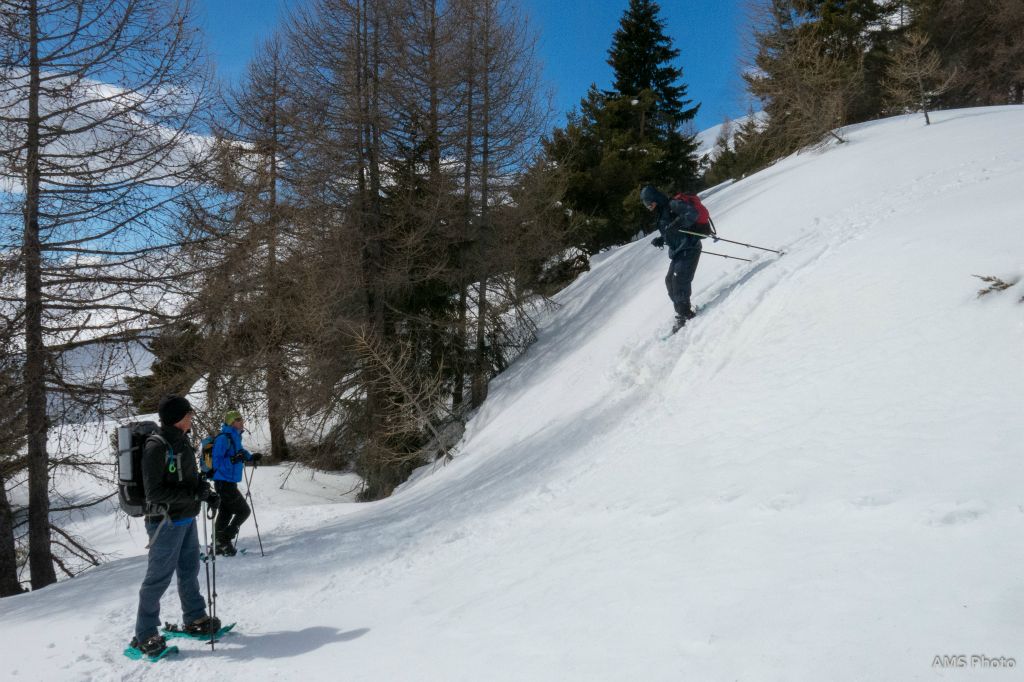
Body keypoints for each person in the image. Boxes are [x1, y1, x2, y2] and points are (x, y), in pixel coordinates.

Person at [130, 395, 222, 658]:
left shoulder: (181, 442)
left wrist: (206, 492)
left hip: (185, 519)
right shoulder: (156, 446)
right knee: (158, 578)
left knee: (189, 570)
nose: (191, 417)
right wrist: (193, 496)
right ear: (178, 418)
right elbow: (154, 493)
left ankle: (194, 617)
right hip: (164, 523)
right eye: (188, 414)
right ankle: (145, 633)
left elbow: (189, 480)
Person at [642, 184, 703, 333]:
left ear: (655, 199)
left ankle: (685, 314)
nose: (648, 206)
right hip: (678, 250)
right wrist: (661, 239)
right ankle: (682, 311)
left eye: (649, 202)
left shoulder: (673, 205)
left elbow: (692, 214)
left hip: (690, 246)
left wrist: (677, 223)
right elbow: (669, 230)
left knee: (679, 279)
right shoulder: (662, 212)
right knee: (669, 281)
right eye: (645, 204)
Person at [211, 410, 262, 556]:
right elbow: (217, 462)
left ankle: (217, 545)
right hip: (223, 482)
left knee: (226, 512)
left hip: (229, 482)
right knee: (244, 511)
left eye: (241, 419)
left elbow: (239, 452)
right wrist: (233, 459)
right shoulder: (223, 438)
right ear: (231, 423)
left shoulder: (235, 437)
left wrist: (250, 457)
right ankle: (224, 539)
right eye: (238, 420)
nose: (242, 422)